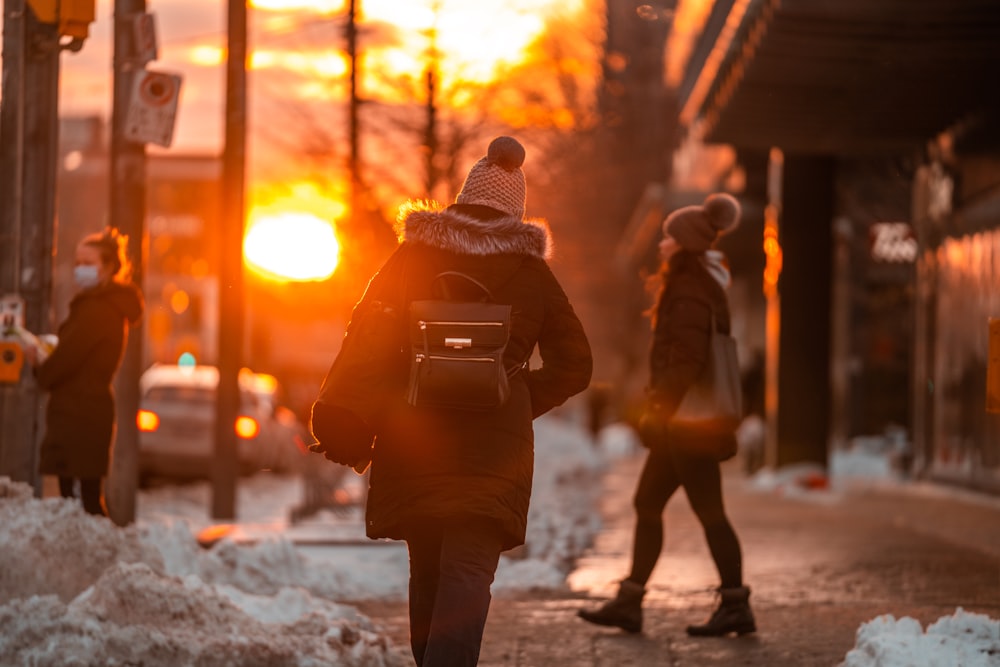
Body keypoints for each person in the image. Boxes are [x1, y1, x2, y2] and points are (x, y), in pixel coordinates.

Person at [312, 136, 592, 666]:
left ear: (462, 198)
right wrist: (513, 394)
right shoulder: (534, 274)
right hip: (495, 453)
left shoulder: (413, 256)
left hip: (416, 439)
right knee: (468, 571)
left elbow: (367, 337)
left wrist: (345, 414)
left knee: (430, 569)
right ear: (517, 210)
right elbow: (577, 365)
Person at [577, 192, 755, 637]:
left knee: (709, 512)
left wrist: (659, 408)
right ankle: (631, 601)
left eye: (667, 238)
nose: (661, 245)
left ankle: (735, 606)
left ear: (685, 244)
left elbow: (687, 358)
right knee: (649, 503)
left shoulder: (690, 288)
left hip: (688, 423)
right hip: (685, 423)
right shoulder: (690, 284)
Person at [24, 227, 144, 517]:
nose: (80, 269)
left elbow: (66, 360)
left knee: (79, 504)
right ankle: (102, 557)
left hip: (79, 413)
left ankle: (104, 558)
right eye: (78, 262)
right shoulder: (102, 307)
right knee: (83, 500)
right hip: (84, 410)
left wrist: (39, 363)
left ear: (108, 268)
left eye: (88, 264)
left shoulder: (97, 310)